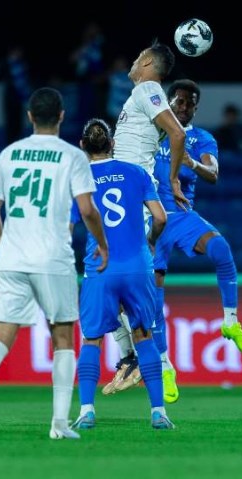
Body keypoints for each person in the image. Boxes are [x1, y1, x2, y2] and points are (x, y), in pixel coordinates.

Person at [0, 87, 109, 441]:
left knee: (1, 335)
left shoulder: (9, 155)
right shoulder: (73, 156)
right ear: (61, 116)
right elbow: (87, 209)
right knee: (63, 337)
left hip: (12, 258)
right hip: (52, 258)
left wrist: (5, 246)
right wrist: (102, 245)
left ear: (29, 117)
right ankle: (58, 424)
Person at [148, 79, 242, 403]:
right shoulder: (151, 132)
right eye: (178, 101)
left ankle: (231, 322)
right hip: (150, 217)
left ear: (196, 107)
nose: (183, 107)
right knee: (153, 294)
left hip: (181, 217)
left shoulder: (201, 139)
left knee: (221, 248)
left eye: (189, 103)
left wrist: (189, 162)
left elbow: (212, 174)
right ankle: (166, 365)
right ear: (168, 102)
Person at [70, 118, 173, 430]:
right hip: (137, 266)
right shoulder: (136, 173)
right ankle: (159, 413)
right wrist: (151, 242)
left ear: (82, 147)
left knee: (91, 339)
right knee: (143, 335)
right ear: (112, 144)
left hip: (100, 267)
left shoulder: (79, 177)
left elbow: (69, 225)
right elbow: (160, 217)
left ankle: (87, 411)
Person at [99, 39, 190, 395]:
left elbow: (177, 132)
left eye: (138, 56)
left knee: (113, 279)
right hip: (125, 199)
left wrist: (172, 178)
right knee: (106, 278)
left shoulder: (148, 88)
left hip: (134, 201)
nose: (133, 61)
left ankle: (143, 356)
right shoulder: (141, 95)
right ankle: (131, 356)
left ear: (149, 61)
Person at [0, 45, 32, 144]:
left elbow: (26, 79)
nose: (21, 54)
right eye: (19, 51)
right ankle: (10, 143)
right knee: (10, 121)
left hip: (20, 96)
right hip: (10, 96)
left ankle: (19, 141)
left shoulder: (22, 63)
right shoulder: (5, 62)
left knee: (19, 121)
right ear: (13, 52)